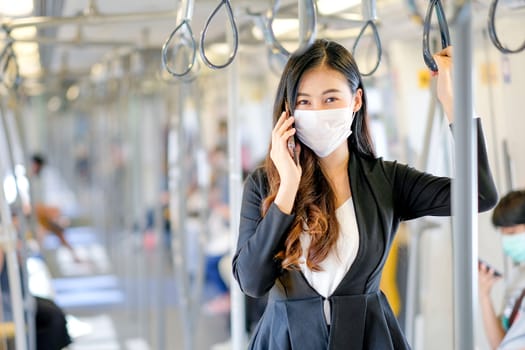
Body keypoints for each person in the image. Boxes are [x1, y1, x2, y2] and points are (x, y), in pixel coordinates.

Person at [233, 39, 498, 349]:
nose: (317, 111)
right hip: (285, 339)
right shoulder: (265, 184)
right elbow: (252, 283)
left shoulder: (386, 180)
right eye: (304, 102)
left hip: (369, 338)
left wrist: (458, 106)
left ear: (356, 100)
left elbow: (479, 195)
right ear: (288, 110)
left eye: (330, 99)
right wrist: (288, 191)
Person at [479, 190, 525, 349]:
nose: (508, 241)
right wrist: (484, 295)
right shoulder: (517, 277)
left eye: (512, 233)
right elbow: (500, 344)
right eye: (504, 235)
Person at [30, 154, 79, 261]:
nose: (31, 168)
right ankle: (74, 255)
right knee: (52, 231)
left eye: (33, 165)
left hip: (50, 210)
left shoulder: (47, 177)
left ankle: (73, 255)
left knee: (51, 230)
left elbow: (51, 202)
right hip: (46, 212)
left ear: (37, 165)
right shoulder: (37, 178)